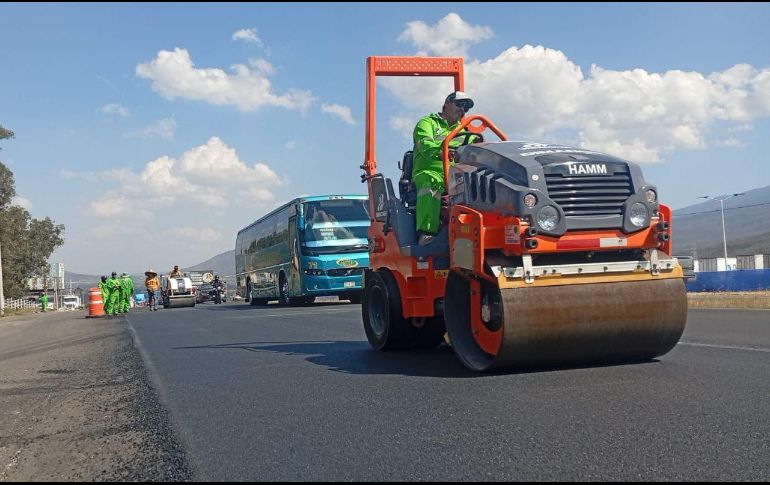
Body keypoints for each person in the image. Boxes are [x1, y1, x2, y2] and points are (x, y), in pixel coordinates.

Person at [412, 91, 474, 245]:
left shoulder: (466, 131)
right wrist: (442, 152)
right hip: (431, 171)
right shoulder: (428, 123)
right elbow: (425, 145)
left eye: (466, 108)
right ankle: (427, 233)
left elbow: (477, 149)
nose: (462, 110)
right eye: (459, 104)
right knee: (431, 182)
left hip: (457, 175)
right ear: (447, 103)